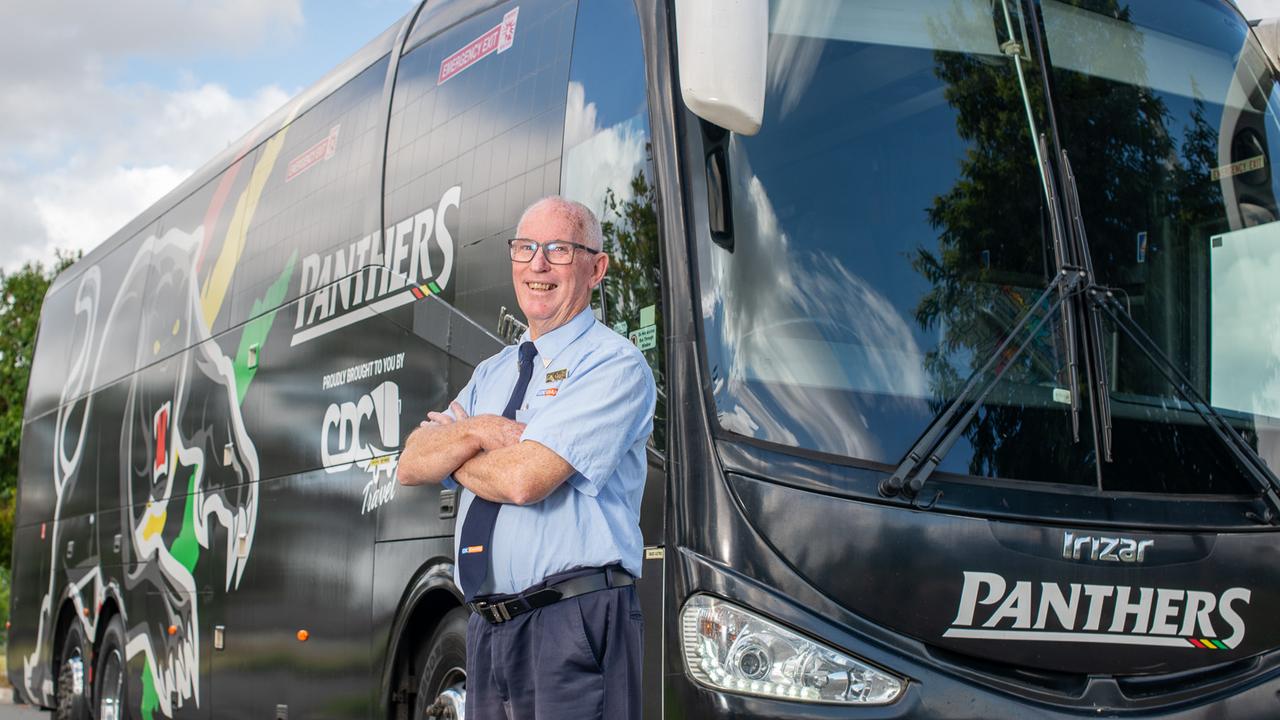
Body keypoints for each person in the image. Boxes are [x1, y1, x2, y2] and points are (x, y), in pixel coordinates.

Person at [397, 196, 656, 720]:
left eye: (559, 249)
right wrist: (487, 430)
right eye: (525, 248)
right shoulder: (492, 373)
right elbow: (410, 462)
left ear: (596, 268)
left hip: (571, 623)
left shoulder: (613, 365)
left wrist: (456, 449)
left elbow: (524, 479)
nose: (537, 264)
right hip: (489, 629)